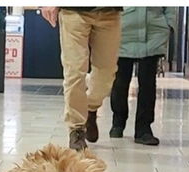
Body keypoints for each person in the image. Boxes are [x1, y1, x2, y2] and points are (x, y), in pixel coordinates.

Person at [40, 6, 122, 151]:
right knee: (75, 71)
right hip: (73, 11)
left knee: (107, 73)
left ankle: (91, 108)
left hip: (109, 12)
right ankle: (76, 129)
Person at [110, 5, 174, 146]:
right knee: (120, 81)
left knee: (148, 82)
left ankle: (143, 129)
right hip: (123, 31)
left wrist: (169, 25)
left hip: (153, 32)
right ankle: (118, 121)